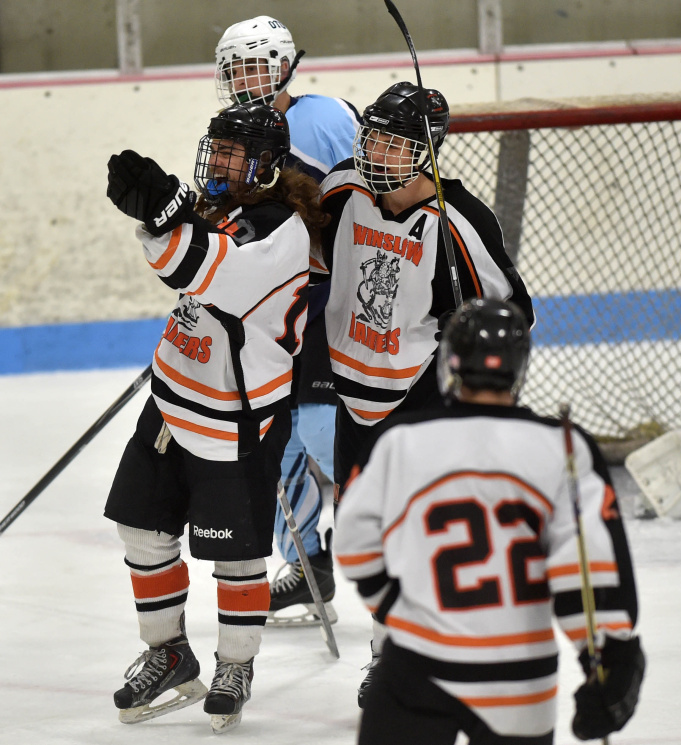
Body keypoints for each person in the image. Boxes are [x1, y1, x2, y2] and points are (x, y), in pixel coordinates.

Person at [103, 102, 328, 732]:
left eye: (234, 152)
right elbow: (178, 253)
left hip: (238, 416)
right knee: (142, 531)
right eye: (217, 149)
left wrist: (166, 215)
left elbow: (202, 265)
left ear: (268, 162)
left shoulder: (280, 228)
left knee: (237, 553)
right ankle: (168, 652)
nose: (220, 161)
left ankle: (236, 664)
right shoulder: (220, 207)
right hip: (173, 399)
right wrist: (164, 212)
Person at [335, 298, 645, 744]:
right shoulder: (563, 448)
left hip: (419, 665)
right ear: (520, 368)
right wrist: (609, 657)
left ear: (451, 364)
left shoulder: (398, 441)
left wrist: (394, 610)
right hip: (519, 679)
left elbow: (353, 542)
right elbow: (588, 570)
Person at [320, 81, 534, 705]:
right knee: (363, 531)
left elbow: (511, 312)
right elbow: (283, 225)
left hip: (419, 396)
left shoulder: (459, 220)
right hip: (352, 393)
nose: (376, 151)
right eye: (372, 136)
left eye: (393, 141)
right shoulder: (345, 189)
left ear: (427, 151)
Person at [215, 15, 361, 624]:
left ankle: (402, 553)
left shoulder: (326, 117)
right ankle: (307, 565)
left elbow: (370, 195)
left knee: (327, 436)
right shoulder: (228, 132)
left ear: (285, 65)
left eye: (256, 64)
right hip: (270, 312)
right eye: (234, 68)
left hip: (329, 299)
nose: (246, 78)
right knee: (279, 444)